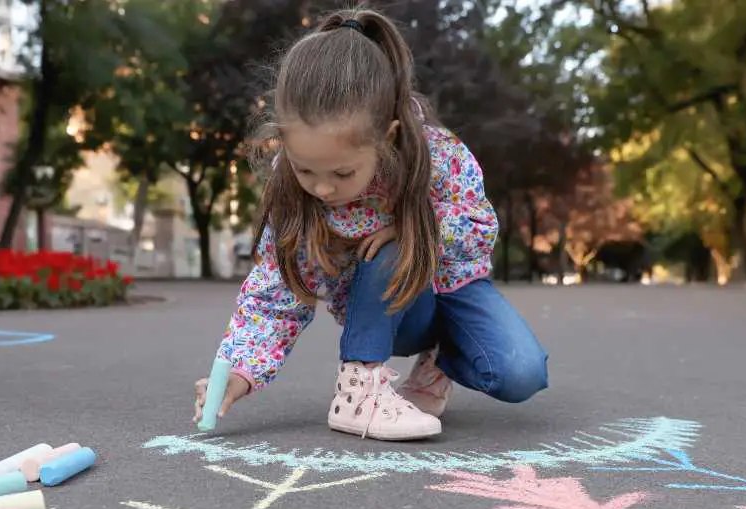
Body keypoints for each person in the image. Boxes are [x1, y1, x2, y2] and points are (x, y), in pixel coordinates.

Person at [193, 7, 549, 441]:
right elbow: (275, 292)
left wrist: (418, 230)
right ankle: (358, 392)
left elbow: (479, 224)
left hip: (454, 287)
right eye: (307, 171)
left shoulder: (435, 155)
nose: (322, 189)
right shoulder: (295, 195)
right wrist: (240, 372)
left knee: (521, 373)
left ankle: (438, 361)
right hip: (392, 314)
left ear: (388, 138)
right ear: (285, 142)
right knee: (388, 249)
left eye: (342, 174)